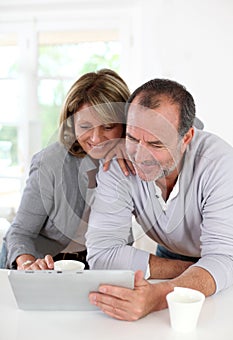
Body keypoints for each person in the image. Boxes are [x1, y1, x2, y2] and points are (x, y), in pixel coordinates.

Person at [86, 78, 233, 321]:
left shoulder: (220, 164)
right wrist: (198, 272)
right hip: (174, 254)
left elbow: (224, 258)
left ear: (186, 138)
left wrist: (159, 297)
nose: (140, 155)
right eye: (133, 138)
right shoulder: (118, 164)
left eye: (156, 143)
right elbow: (102, 254)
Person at [3, 68, 132, 270]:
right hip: (45, 263)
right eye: (85, 126)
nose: (96, 138)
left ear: (125, 124)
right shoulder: (49, 162)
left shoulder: (130, 160)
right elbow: (20, 233)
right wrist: (28, 264)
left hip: (94, 266)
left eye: (108, 127)